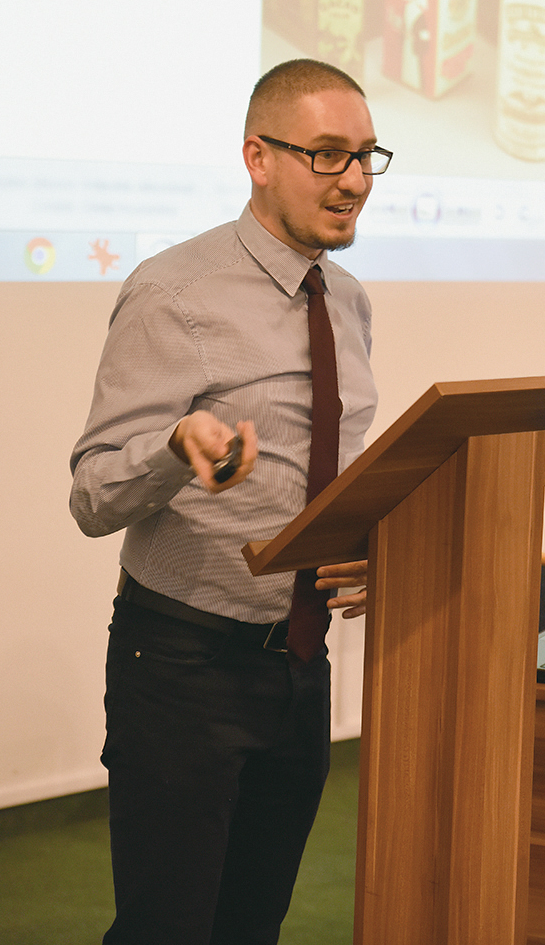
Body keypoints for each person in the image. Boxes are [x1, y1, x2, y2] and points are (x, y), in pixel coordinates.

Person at [69, 58, 392, 945]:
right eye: (327, 155)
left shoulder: (348, 301)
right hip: (183, 666)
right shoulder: (174, 294)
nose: (355, 180)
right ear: (258, 157)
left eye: (366, 155)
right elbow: (92, 495)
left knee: (253, 924)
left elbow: (329, 474)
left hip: (300, 666)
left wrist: (375, 548)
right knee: (167, 928)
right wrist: (175, 448)